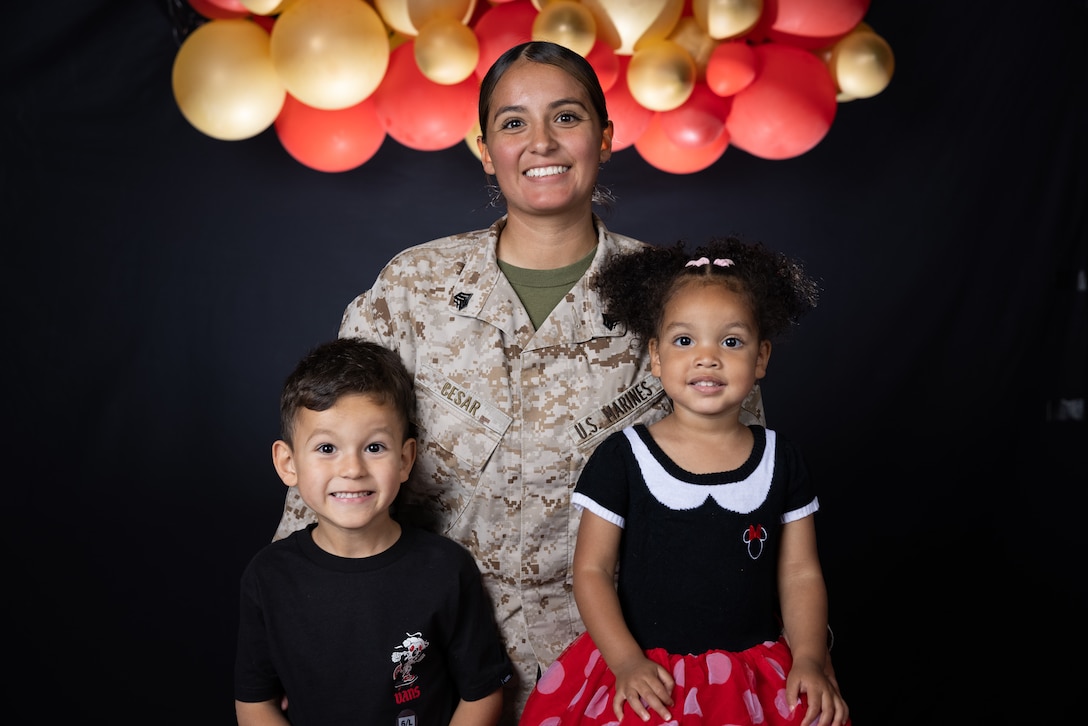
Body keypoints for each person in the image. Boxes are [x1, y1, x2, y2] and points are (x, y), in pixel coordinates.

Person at [271, 41, 765, 722]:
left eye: (566, 117)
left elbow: (744, 492)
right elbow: (326, 454)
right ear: (484, 147)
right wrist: (295, 624)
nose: (541, 143)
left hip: (619, 669)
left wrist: (791, 653)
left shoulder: (675, 301)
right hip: (426, 661)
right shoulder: (414, 289)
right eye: (513, 123)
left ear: (605, 136)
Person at [519, 236, 850, 726]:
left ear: (761, 358)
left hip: (750, 676)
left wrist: (808, 658)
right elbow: (590, 572)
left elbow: (800, 573)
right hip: (649, 674)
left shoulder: (782, 459)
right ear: (655, 357)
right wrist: (626, 661)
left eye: (731, 342)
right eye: (684, 340)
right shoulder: (624, 458)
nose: (707, 357)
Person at [235, 338, 513, 725]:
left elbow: (482, 694)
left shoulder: (446, 570)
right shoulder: (269, 577)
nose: (352, 469)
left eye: (375, 447)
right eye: (327, 448)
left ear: (405, 459)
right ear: (288, 463)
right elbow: (255, 702)